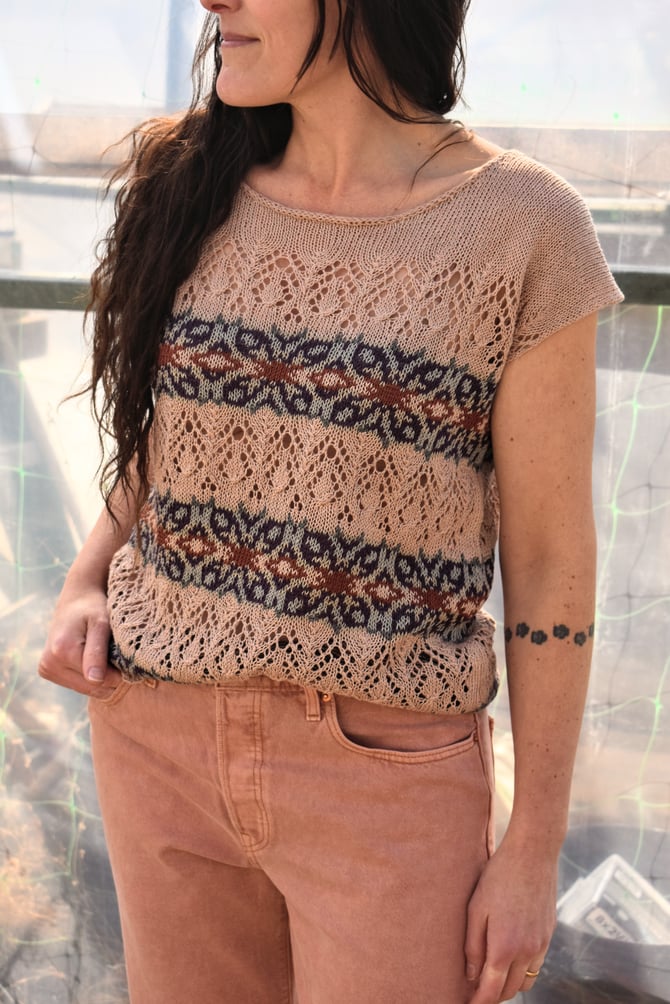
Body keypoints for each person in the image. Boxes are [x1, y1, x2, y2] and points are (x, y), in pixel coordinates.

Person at [39, 1, 623, 1001]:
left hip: (385, 780)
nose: (212, 2)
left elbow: (548, 560)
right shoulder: (188, 183)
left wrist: (533, 845)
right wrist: (84, 578)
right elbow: (171, 438)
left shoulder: (525, 228)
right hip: (159, 741)